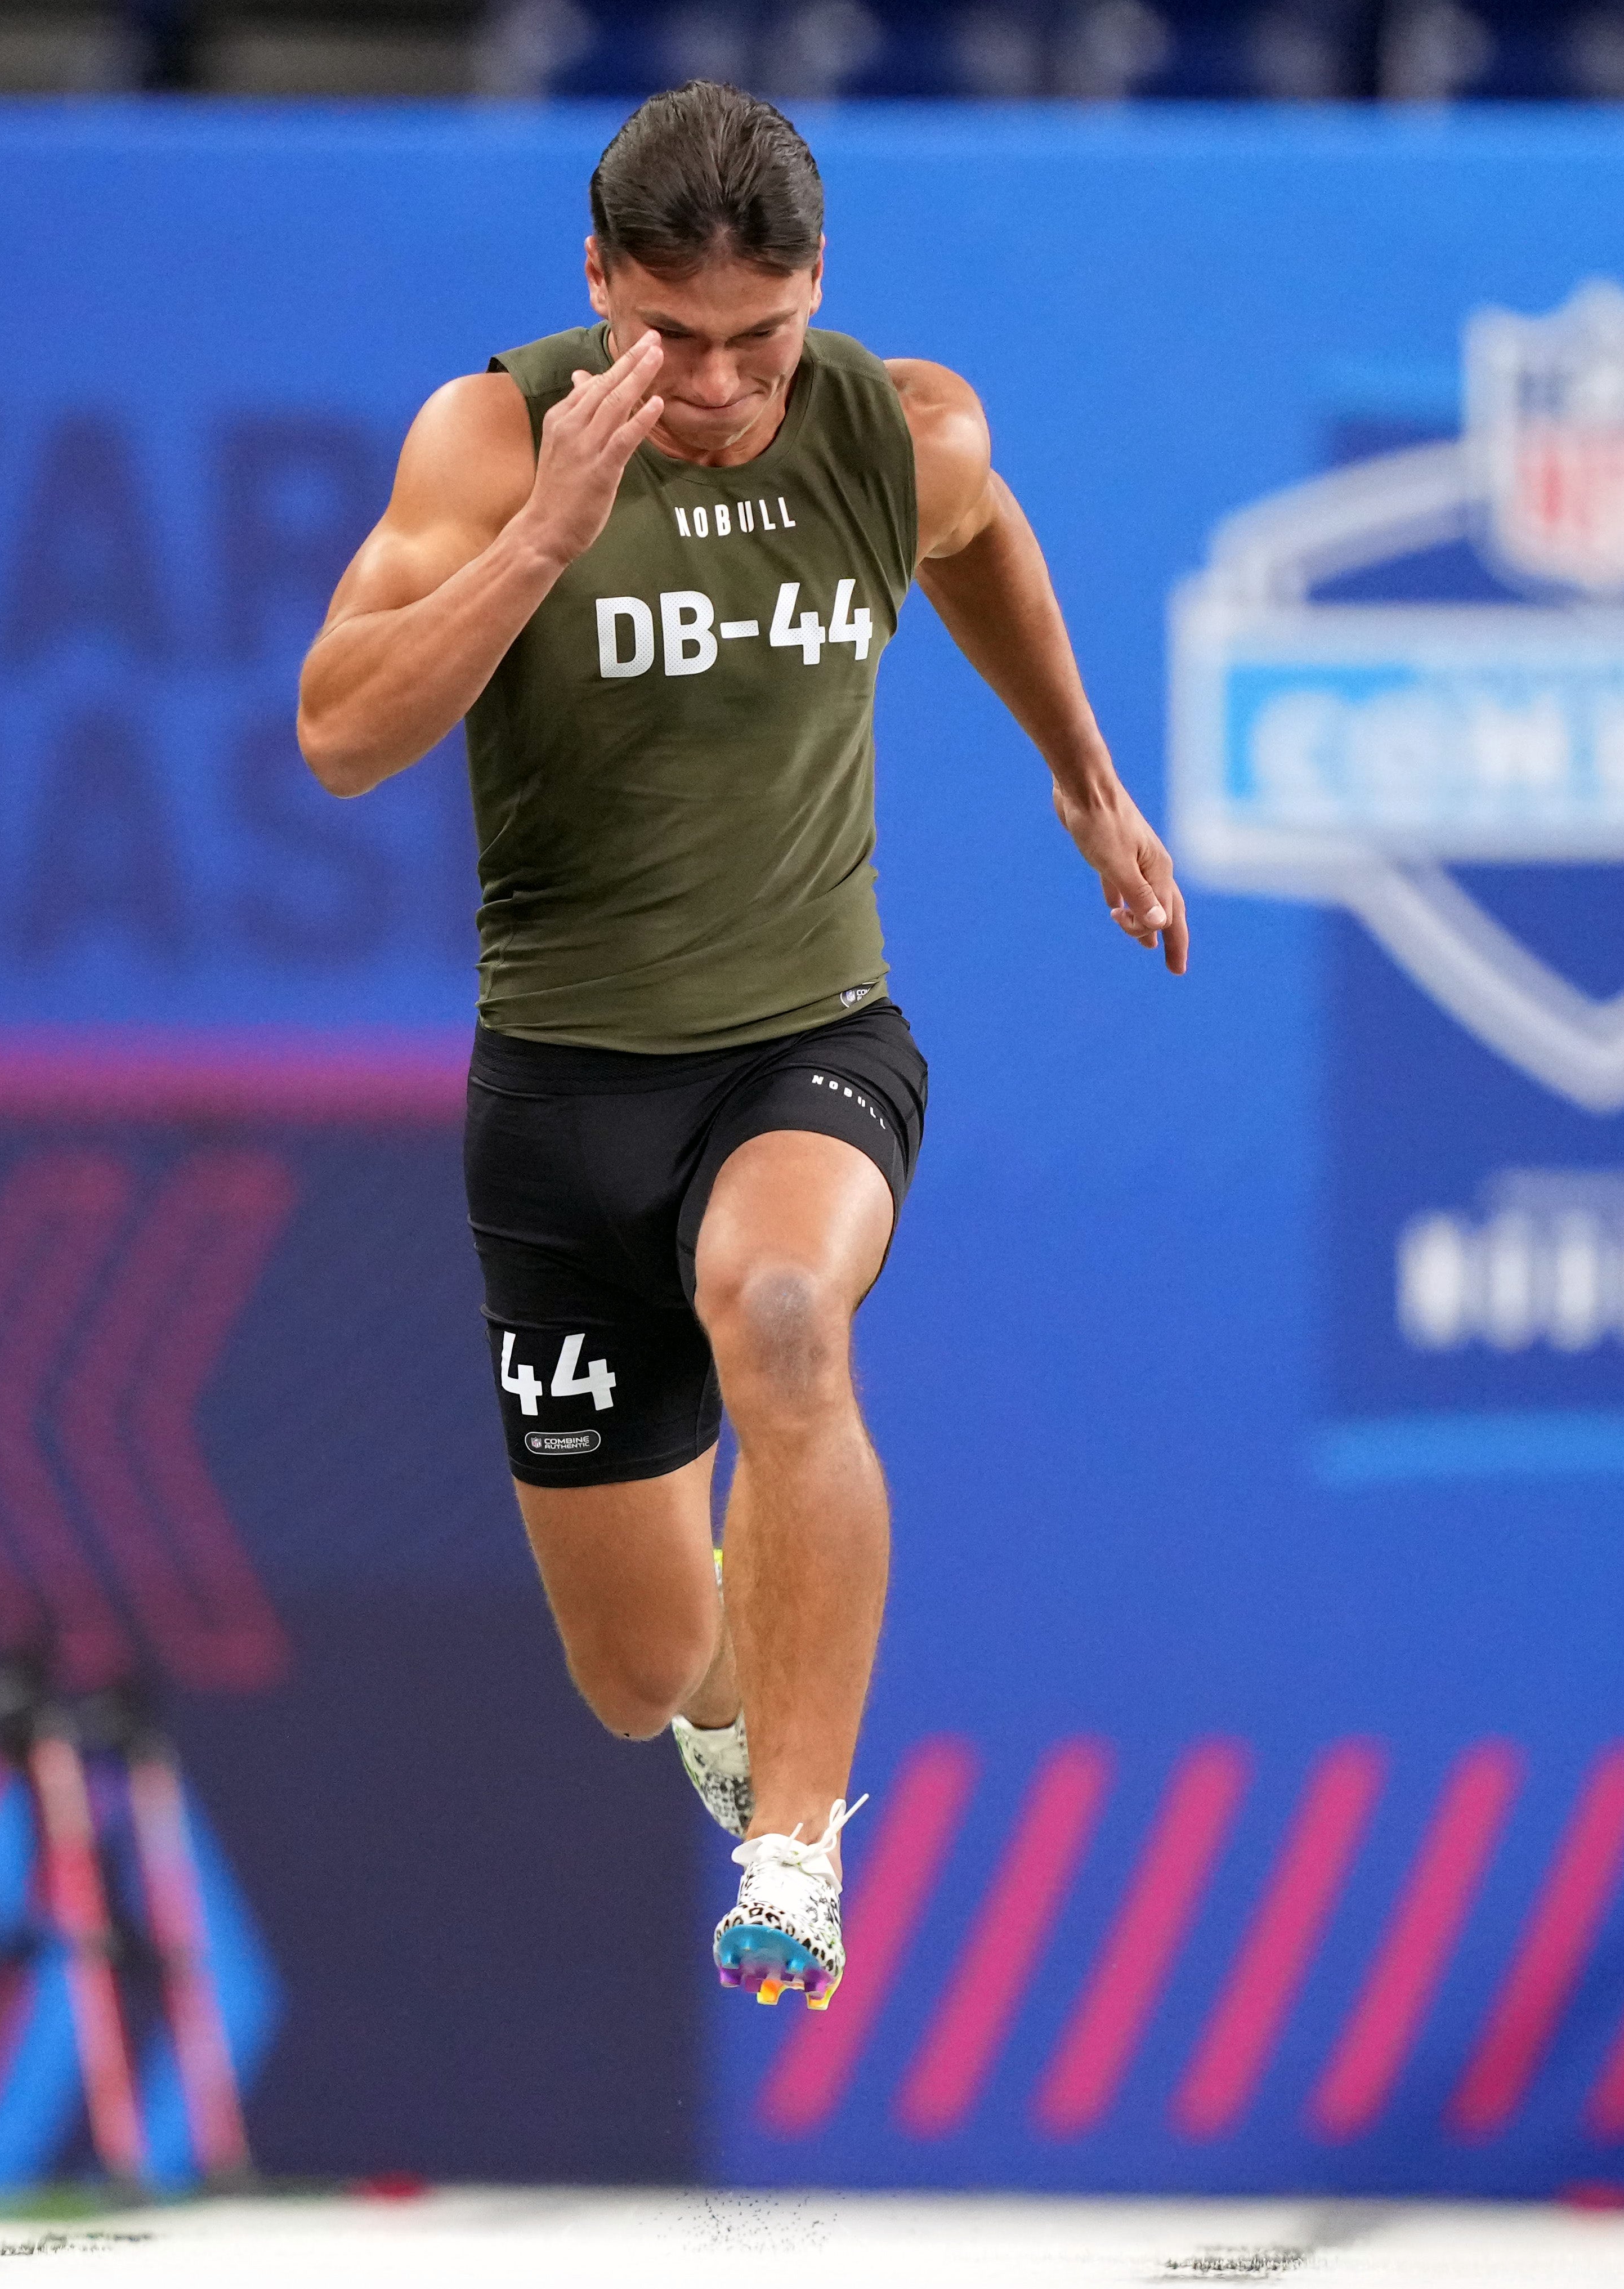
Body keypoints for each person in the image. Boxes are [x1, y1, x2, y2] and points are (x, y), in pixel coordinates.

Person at [294, 80, 1188, 2007]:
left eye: (753, 341)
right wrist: (539, 537)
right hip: (559, 1086)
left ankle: (794, 1845)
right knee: (634, 1672)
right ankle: (730, 1699)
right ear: (596, 277)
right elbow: (342, 733)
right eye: (665, 339)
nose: (707, 389)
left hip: (804, 1043)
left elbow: (980, 542)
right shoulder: (490, 436)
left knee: (780, 1309)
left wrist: (1085, 780)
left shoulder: (896, 424)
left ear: (817, 292)